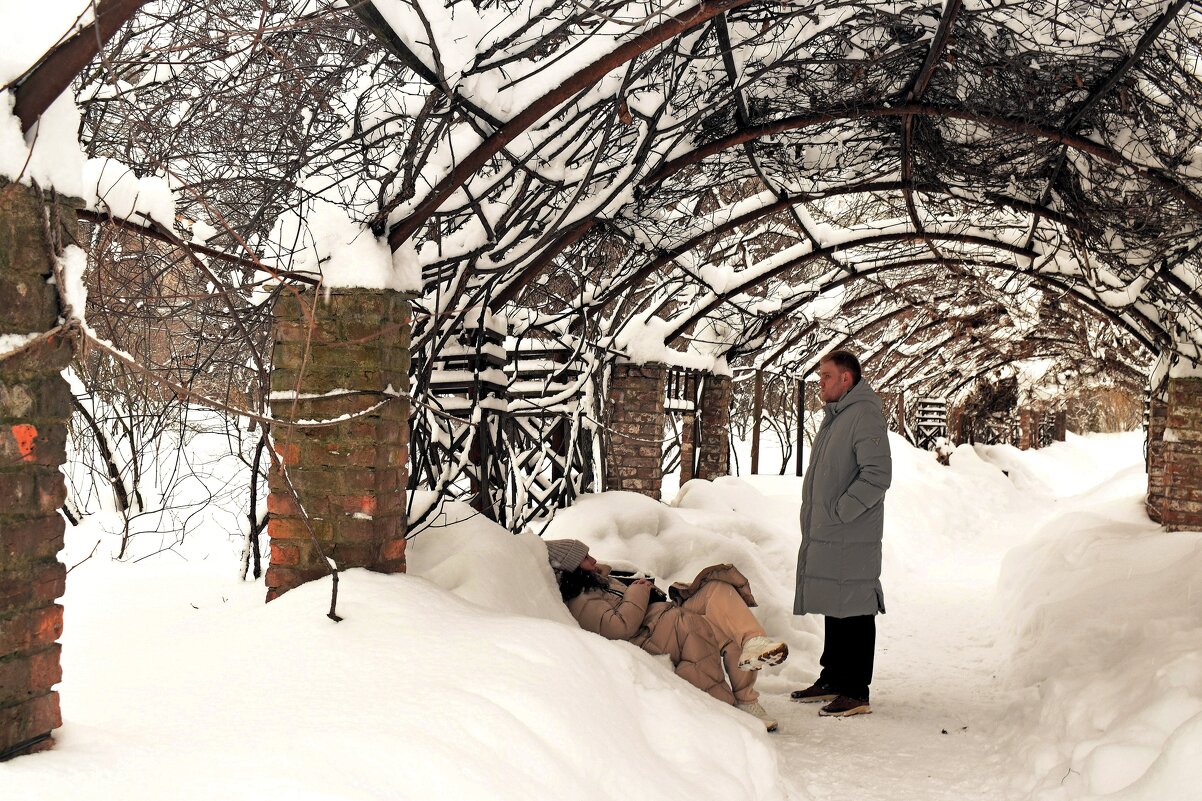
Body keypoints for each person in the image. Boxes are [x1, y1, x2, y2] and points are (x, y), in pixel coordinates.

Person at [544, 538, 789, 731]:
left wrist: (630, 585)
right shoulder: (581, 599)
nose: (594, 559)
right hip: (653, 633)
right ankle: (743, 701)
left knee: (717, 587)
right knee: (719, 630)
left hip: (661, 618)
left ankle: (754, 641)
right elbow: (617, 628)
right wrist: (637, 592)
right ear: (572, 567)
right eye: (585, 558)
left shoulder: (598, 581)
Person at [790, 350, 891, 717]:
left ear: (846, 378)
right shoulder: (838, 416)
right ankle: (833, 677)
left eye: (827, 376)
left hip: (851, 531)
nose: (820, 383)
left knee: (856, 607)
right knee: (837, 603)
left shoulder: (863, 414)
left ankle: (855, 690)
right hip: (834, 530)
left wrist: (841, 511)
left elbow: (877, 475)